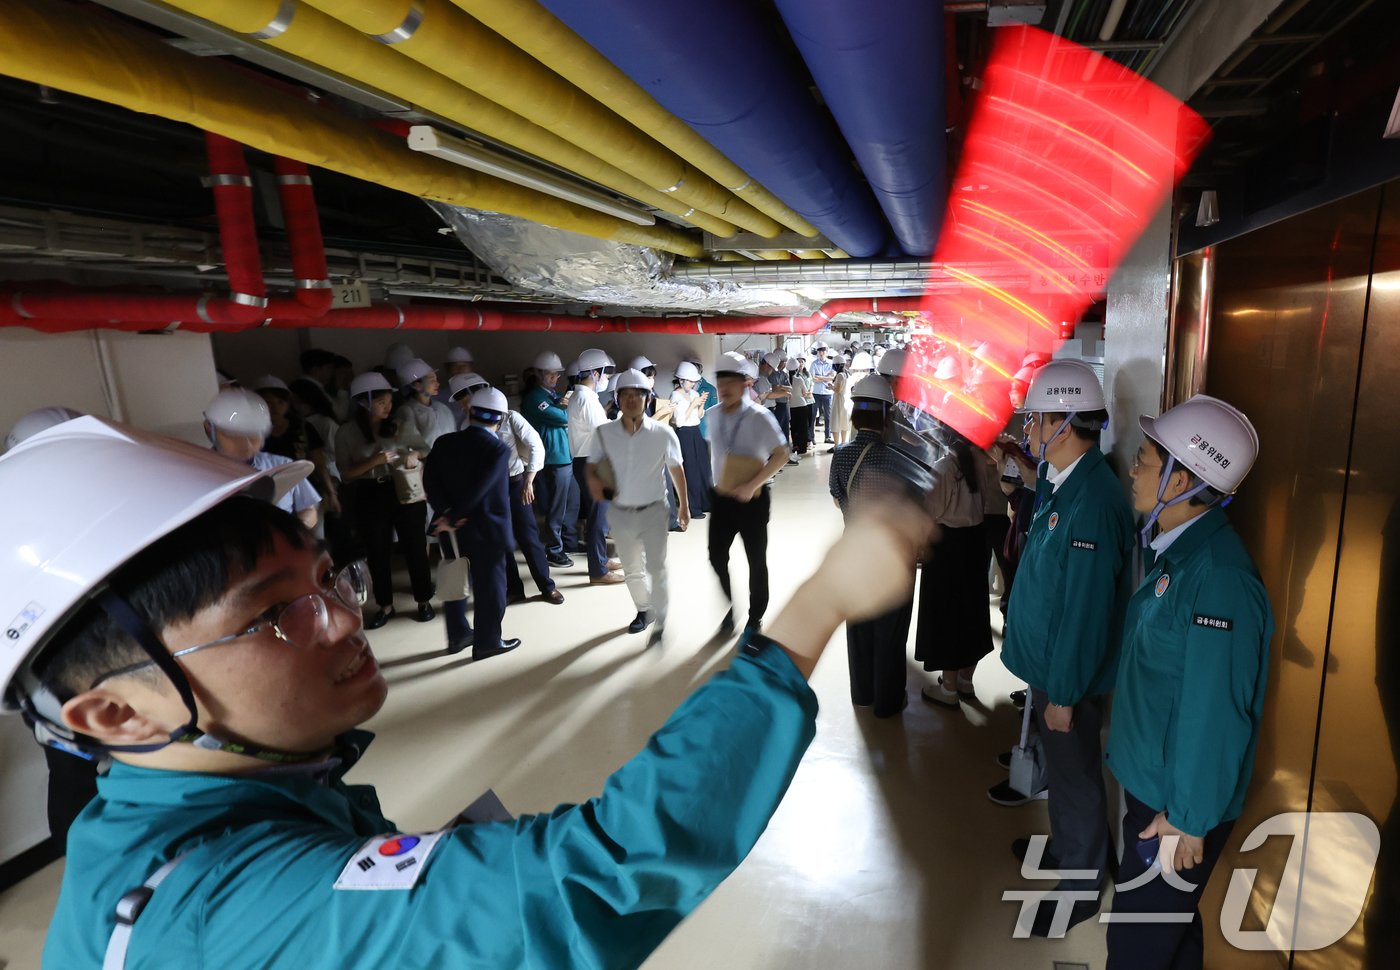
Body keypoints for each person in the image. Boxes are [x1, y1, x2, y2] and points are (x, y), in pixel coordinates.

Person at [0, 412, 931, 970]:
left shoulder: (165, 817)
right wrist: (819, 606)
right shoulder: (221, 905)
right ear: (116, 712)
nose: (343, 619)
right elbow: (598, 870)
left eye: (330, 581)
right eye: (276, 614)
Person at [1103, 395, 1273, 970]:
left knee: (1136, 948)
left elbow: (1216, 713)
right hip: (1155, 785)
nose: (1132, 469)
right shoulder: (1176, 554)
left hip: (1174, 806)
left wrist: (1188, 820)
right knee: (1170, 939)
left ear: (1181, 481)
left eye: (1145, 460)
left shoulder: (1218, 580)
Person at [993, 359, 1136, 937]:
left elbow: (1084, 610)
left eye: (1035, 420)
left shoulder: (1094, 503)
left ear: (1062, 421)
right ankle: (1070, 847)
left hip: (1066, 674)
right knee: (1061, 768)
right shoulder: (1064, 481)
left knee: (1075, 774)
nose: (1027, 431)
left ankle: (1081, 882)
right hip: (1049, 665)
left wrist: (1067, 693)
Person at [828, 375, 915, 717]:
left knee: (860, 627)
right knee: (890, 633)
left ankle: (862, 694)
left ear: (854, 414)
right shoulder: (900, 458)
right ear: (887, 415)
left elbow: (838, 499)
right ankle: (888, 702)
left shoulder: (840, 455)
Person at [586, 369, 690, 644]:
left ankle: (662, 614)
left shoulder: (663, 433)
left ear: (648, 398)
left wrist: (684, 507)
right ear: (618, 398)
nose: (632, 400)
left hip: (655, 509)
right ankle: (644, 610)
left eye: (638, 395)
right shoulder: (604, 433)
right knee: (632, 569)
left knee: (656, 567)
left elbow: (676, 470)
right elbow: (594, 467)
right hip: (622, 513)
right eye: (626, 395)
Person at [424, 387, 522, 661]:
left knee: (455, 579)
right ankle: (488, 641)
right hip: (486, 529)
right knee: (491, 586)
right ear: (500, 419)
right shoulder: (497, 449)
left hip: (449, 529)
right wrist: (456, 515)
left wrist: (445, 514)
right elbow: (481, 488)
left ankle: (458, 636)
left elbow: (429, 480)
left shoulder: (444, 442)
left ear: (470, 413)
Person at [335, 372, 434, 629]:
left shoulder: (400, 424)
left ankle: (424, 600)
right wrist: (373, 462)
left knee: (415, 546)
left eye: (389, 401)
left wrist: (414, 454)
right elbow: (345, 474)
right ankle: (385, 606)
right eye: (380, 402)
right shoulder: (347, 432)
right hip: (371, 492)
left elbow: (425, 448)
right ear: (364, 402)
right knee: (377, 551)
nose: (387, 407)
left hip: (405, 490)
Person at [455, 375, 565, 608]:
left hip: (516, 482)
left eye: (465, 399)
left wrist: (529, 479)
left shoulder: (511, 417)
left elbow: (536, 445)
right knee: (501, 540)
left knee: (528, 537)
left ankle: (547, 586)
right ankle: (514, 589)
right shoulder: (466, 426)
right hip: (490, 489)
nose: (463, 406)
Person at [706, 352, 791, 639]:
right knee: (716, 556)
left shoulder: (759, 416)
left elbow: (781, 455)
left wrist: (753, 484)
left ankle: (755, 617)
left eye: (731, 381)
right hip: (721, 498)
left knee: (756, 560)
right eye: (721, 381)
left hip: (753, 501)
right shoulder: (712, 415)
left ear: (745, 383)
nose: (725, 387)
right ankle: (731, 606)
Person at [914, 422, 993, 706]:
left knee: (948, 612)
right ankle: (965, 681)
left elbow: (932, 511)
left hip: (948, 547)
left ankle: (947, 690)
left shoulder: (945, 466)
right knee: (971, 609)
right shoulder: (981, 460)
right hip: (974, 542)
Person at [203, 388, 320, 531]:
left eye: (253, 435)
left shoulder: (283, 466)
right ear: (210, 429)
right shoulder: (197, 473)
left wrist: (293, 531)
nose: (246, 444)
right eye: (234, 435)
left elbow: (309, 509)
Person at [568, 349, 623, 585]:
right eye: (605, 374)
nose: (607, 378)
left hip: (588, 460)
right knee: (599, 517)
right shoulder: (585, 398)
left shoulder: (582, 397)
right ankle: (598, 571)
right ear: (594, 372)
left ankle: (600, 560)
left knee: (598, 516)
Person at [252, 375, 338, 525]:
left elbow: (319, 463)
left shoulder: (303, 427)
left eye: (280, 402)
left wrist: (331, 493)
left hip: (307, 493)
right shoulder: (251, 433)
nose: (275, 408)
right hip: (268, 496)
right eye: (268, 402)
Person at [522, 350, 577, 569]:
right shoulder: (536, 398)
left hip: (564, 455)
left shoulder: (550, 395)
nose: (555, 378)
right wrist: (565, 405)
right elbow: (564, 417)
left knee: (569, 504)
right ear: (538, 374)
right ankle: (554, 550)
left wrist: (562, 403)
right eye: (550, 375)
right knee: (556, 507)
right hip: (553, 458)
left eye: (557, 375)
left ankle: (569, 542)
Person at [669, 360, 713, 519]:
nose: (693, 384)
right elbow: (679, 421)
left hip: (695, 432)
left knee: (703, 467)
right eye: (691, 381)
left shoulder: (694, 394)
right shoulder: (675, 395)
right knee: (690, 470)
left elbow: (699, 416)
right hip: (684, 433)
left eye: (695, 381)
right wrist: (692, 405)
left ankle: (706, 502)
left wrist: (699, 404)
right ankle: (693, 508)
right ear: (681, 380)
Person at [394, 358, 456, 451]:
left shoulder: (442, 408)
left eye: (436, 379)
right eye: (432, 380)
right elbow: (408, 447)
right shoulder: (406, 412)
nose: (437, 384)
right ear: (417, 385)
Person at [808, 343, 836, 444]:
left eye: (823, 351)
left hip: (828, 393)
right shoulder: (814, 363)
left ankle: (828, 436)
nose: (821, 353)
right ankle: (811, 437)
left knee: (828, 416)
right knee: (813, 415)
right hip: (816, 392)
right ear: (817, 352)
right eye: (819, 351)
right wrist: (825, 377)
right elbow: (813, 379)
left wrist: (820, 377)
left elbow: (832, 377)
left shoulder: (831, 363)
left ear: (826, 352)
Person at [788, 356, 815, 457]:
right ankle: (802, 448)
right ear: (796, 369)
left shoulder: (785, 380)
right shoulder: (799, 379)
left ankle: (795, 446)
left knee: (794, 427)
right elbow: (804, 393)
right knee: (802, 427)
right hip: (802, 405)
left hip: (791, 407)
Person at [830, 359, 852, 446]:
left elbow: (838, 390)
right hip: (846, 400)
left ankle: (836, 445)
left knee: (836, 421)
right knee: (844, 422)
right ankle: (843, 443)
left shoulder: (839, 375)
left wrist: (831, 387)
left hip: (839, 400)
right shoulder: (847, 374)